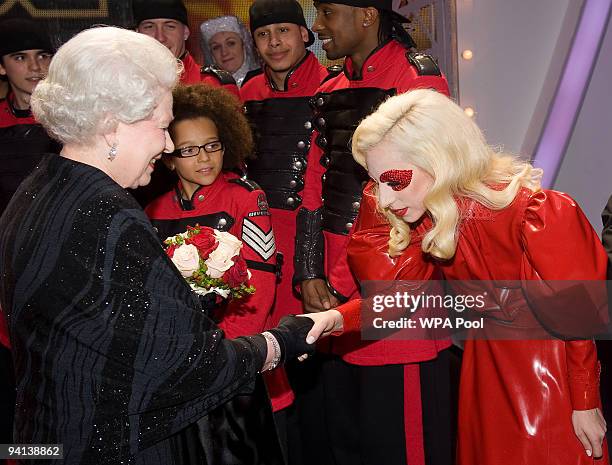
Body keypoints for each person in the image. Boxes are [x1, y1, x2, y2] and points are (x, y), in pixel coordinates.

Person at [0, 26, 342, 464]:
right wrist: (282, 341)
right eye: (162, 126)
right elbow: (191, 366)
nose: (166, 145)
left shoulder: (38, 188)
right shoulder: (108, 216)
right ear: (110, 125)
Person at [335, 88, 609, 465]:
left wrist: (585, 401)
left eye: (393, 180)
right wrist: (335, 320)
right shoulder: (431, 221)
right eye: (375, 181)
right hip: (482, 372)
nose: (382, 198)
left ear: (440, 160)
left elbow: (578, 317)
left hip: (545, 379)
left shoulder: (537, 212)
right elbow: (396, 297)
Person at [292, 1, 451, 463]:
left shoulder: (418, 81)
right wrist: (308, 269)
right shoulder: (331, 84)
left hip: (395, 287)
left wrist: (342, 279)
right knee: (347, 441)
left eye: (326, 12)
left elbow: (426, 200)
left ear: (367, 14)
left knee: (399, 444)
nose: (317, 25)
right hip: (336, 291)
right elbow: (314, 186)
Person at [240, 1, 328, 460]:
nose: (274, 43)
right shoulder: (248, 92)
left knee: (314, 359)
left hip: (311, 242)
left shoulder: (331, 87)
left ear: (305, 34)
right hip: (259, 241)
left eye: (284, 31)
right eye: (263, 35)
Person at [0, 18, 58, 215]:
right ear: (1, 67)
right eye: (20, 58)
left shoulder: (73, 119)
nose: (35, 67)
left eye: (43, 56)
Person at [200, 16, 260, 87]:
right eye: (216, 47)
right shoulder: (208, 90)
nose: (224, 53)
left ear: (244, 45)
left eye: (231, 43)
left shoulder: (265, 82)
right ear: (211, 55)